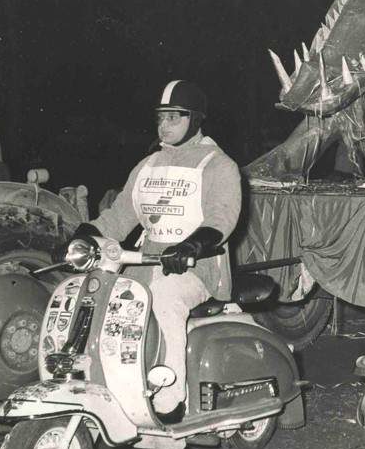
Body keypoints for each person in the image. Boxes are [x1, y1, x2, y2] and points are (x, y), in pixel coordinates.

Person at [65, 80, 241, 417]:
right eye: (161, 118)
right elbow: (119, 215)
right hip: (144, 261)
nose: (165, 125)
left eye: (175, 117)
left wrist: (191, 245)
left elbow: (222, 217)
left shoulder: (219, 165)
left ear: (196, 120)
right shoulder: (148, 165)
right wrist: (86, 234)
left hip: (196, 266)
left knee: (165, 297)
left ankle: (170, 396)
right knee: (100, 295)